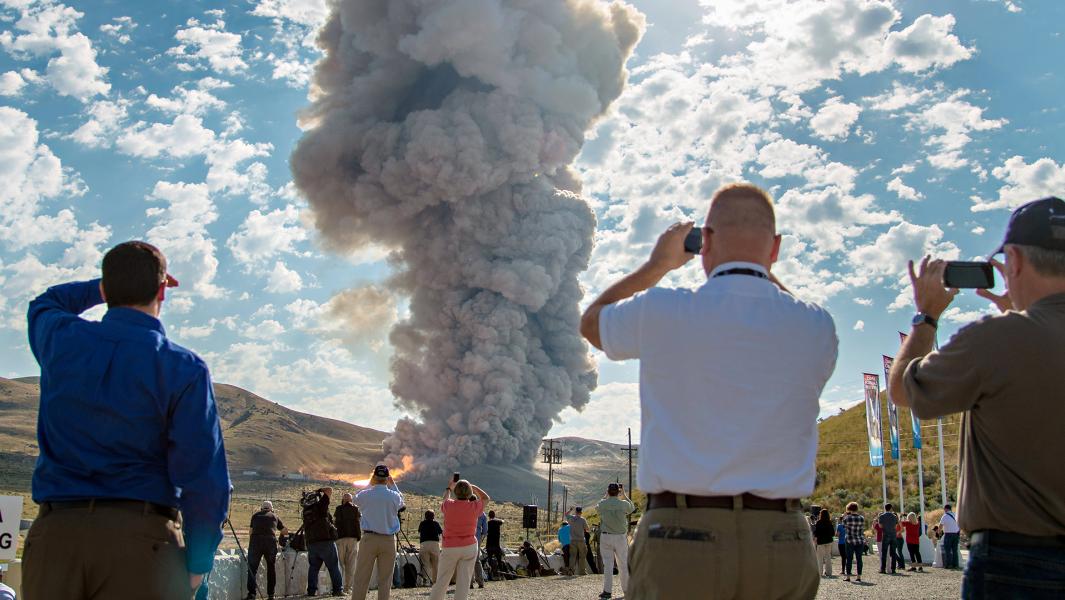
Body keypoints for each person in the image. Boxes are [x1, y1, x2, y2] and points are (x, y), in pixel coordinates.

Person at [580, 183, 838, 599]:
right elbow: (792, 314)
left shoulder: (662, 308)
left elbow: (592, 323)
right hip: (780, 538)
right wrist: (756, 262)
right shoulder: (816, 327)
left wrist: (657, 265)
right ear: (777, 249)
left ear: (705, 243)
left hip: (680, 538)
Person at [21, 241, 231, 600]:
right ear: (162, 289)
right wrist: (197, 564)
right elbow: (203, 477)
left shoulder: (61, 341)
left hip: (55, 538)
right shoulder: (182, 368)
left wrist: (103, 286)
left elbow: (45, 302)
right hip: (142, 544)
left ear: (106, 290)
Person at [890, 195, 1065, 597]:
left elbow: (903, 389)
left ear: (1014, 261)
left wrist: (926, 317)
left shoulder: (997, 339)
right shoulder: (1007, 335)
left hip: (1018, 563)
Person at [429, 478, 491, 600]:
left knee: (442, 580)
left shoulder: (448, 505)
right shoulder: (474, 506)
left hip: (450, 547)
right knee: (464, 582)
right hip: (469, 547)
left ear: (455, 492)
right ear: (470, 493)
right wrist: (474, 487)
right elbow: (486, 498)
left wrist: (449, 488)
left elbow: (445, 499)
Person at [351, 465, 405, 600]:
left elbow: (355, 498)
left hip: (369, 538)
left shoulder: (366, 494)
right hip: (388, 540)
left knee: (361, 577)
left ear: (374, 477)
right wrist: (393, 485)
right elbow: (402, 503)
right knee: (385, 580)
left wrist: (369, 484)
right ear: (387, 478)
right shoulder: (393, 496)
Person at [595, 483, 635, 598]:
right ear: (618, 492)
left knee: (607, 565)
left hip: (606, 536)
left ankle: (607, 591)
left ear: (608, 491)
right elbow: (632, 508)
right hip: (620, 537)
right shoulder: (624, 504)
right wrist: (624, 495)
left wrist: (605, 496)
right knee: (623, 564)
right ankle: (627, 590)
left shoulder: (603, 504)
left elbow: (597, 507)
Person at [302, 487, 343, 596]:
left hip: (311, 543)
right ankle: (338, 590)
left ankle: (311, 591)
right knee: (333, 566)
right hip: (325, 542)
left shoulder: (305, 511)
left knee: (313, 568)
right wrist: (319, 489)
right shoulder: (320, 506)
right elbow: (329, 490)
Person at [248, 500, 287, 600]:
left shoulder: (255, 515)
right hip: (270, 542)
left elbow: (250, 532)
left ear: (261, 508)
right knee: (271, 568)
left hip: (256, 542)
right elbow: (284, 531)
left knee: (252, 569)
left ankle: (252, 594)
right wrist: (282, 539)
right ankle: (271, 595)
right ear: (271, 508)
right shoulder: (274, 516)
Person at [334, 492, 362, 594]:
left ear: (343, 500)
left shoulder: (338, 509)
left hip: (340, 538)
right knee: (351, 564)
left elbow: (335, 522)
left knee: (340, 564)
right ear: (351, 500)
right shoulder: (356, 509)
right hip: (353, 538)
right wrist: (359, 537)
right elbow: (358, 522)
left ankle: (339, 587)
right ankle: (348, 587)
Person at [843, 502, 865, 583]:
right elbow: (862, 528)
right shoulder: (861, 518)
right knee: (859, 559)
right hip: (859, 540)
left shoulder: (847, 518)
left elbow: (844, 526)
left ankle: (848, 576)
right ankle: (859, 576)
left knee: (849, 558)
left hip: (849, 540)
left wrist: (845, 516)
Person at [565, 507, 590, 576]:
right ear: (581, 512)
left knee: (573, 556)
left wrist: (570, 510)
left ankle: (571, 570)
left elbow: (566, 514)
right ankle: (582, 571)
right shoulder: (582, 520)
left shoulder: (571, 518)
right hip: (581, 540)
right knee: (582, 556)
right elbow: (587, 529)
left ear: (575, 512)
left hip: (572, 540)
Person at [419, 510, 443, 582]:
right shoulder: (435, 523)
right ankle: (435, 580)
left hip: (424, 544)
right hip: (434, 544)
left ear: (425, 516)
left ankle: (425, 579)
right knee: (435, 563)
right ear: (433, 516)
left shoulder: (422, 523)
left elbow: (419, 531)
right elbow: (440, 532)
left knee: (425, 563)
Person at [878, 504, 901, 574]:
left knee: (884, 552)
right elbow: (896, 526)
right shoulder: (894, 516)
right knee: (893, 553)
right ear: (891, 508)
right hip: (893, 535)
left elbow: (880, 526)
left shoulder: (881, 516)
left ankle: (883, 569)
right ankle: (893, 569)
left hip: (886, 534)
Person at [813, 509, 835, 577]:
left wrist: (815, 540)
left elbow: (816, 533)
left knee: (820, 558)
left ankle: (820, 572)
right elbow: (833, 533)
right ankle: (829, 572)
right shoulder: (829, 522)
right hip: (828, 541)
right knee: (828, 557)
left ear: (821, 514)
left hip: (821, 542)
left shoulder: (819, 522)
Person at [939, 504, 961, 570]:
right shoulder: (955, 515)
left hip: (948, 535)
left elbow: (940, 526)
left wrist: (939, 532)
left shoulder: (945, 516)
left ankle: (948, 565)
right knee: (955, 550)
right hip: (956, 534)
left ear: (946, 509)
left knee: (947, 550)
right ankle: (956, 565)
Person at [472, 510, 487, 588]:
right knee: (477, 561)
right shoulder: (482, 513)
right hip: (477, 538)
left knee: (468, 561)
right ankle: (480, 582)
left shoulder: (466, 510)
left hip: (466, 538)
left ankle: (470, 582)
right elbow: (485, 530)